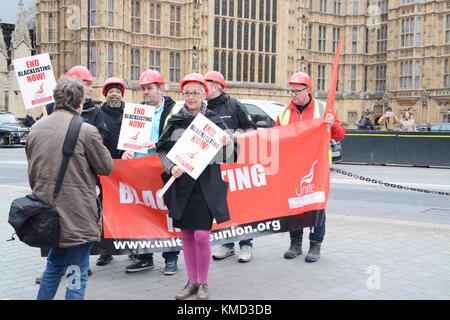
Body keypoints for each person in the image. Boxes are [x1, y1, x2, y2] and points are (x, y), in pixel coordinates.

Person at [27, 78, 114, 300]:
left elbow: (32, 173)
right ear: (80, 103)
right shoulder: (86, 131)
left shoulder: (35, 128)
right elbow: (106, 167)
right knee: (76, 272)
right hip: (77, 215)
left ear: (56, 100)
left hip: (47, 212)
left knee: (53, 268)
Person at [156, 73, 237, 300]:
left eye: (196, 93)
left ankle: (203, 283)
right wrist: (170, 167)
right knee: (187, 236)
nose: (191, 97)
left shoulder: (215, 121)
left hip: (206, 186)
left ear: (204, 95)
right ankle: (192, 282)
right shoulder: (175, 121)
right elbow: (161, 150)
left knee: (201, 235)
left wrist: (227, 142)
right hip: (182, 187)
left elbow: (230, 157)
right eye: (187, 93)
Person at [276, 71, 345, 263]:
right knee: (294, 208)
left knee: (316, 207)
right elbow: (275, 140)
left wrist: (331, 125)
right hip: (292, 169)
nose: (294, 95)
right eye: (291, 91)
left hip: (316, 169)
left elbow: (340, 135)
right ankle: (295, 243)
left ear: (308, 90)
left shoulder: (323, 109)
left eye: (297, 91)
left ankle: (315, 245)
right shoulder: (283, 113)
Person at [121, 69, 181, 275]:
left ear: (160, 88)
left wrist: (158, 142)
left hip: (163, 168)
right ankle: (145, 257)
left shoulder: (173, 110)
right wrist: (127, 151)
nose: (145, 92)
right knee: (143, 213)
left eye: (149, 88)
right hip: (141, 170)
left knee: (167, 214)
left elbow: (178, 137)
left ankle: (171, 257)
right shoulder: (137, 111)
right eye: (143, 89)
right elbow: (129, 141)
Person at [204, 71, 257, 263]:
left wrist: (234, 138)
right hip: (213, 166)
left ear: (217, 86)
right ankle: (227, 244)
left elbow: (251, 131)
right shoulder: (203, 108)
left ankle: (246, 244)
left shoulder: (234, 105)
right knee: (221, 205)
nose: (202, 88)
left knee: (241, 205)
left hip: (235, 164)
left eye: (206, 84)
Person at [95, 77, 127, 267]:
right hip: (106, 171)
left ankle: (135, 250)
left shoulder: (131, 113)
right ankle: (106, 251)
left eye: (117, 91)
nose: (114, 94)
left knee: (130, 210)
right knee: (105, 211)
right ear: (105, 95)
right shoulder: (99, 114)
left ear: (122, 94)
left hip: (127, 169)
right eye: (110, 91)